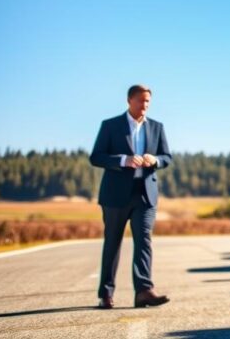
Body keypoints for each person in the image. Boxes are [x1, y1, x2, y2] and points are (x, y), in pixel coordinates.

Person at [89, 84, 172, 309]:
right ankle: (106, 294)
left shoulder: (156, 127)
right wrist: (122, 160)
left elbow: (167, 157)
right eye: (140, 101)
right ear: (129, 101)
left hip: (145, 196)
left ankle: (144, 291)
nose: (144, 105)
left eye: (147, 102)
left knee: (144, 241)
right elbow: (96, 157)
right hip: (115, 195)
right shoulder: (110, 125)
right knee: (113, 243)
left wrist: (155, 160)